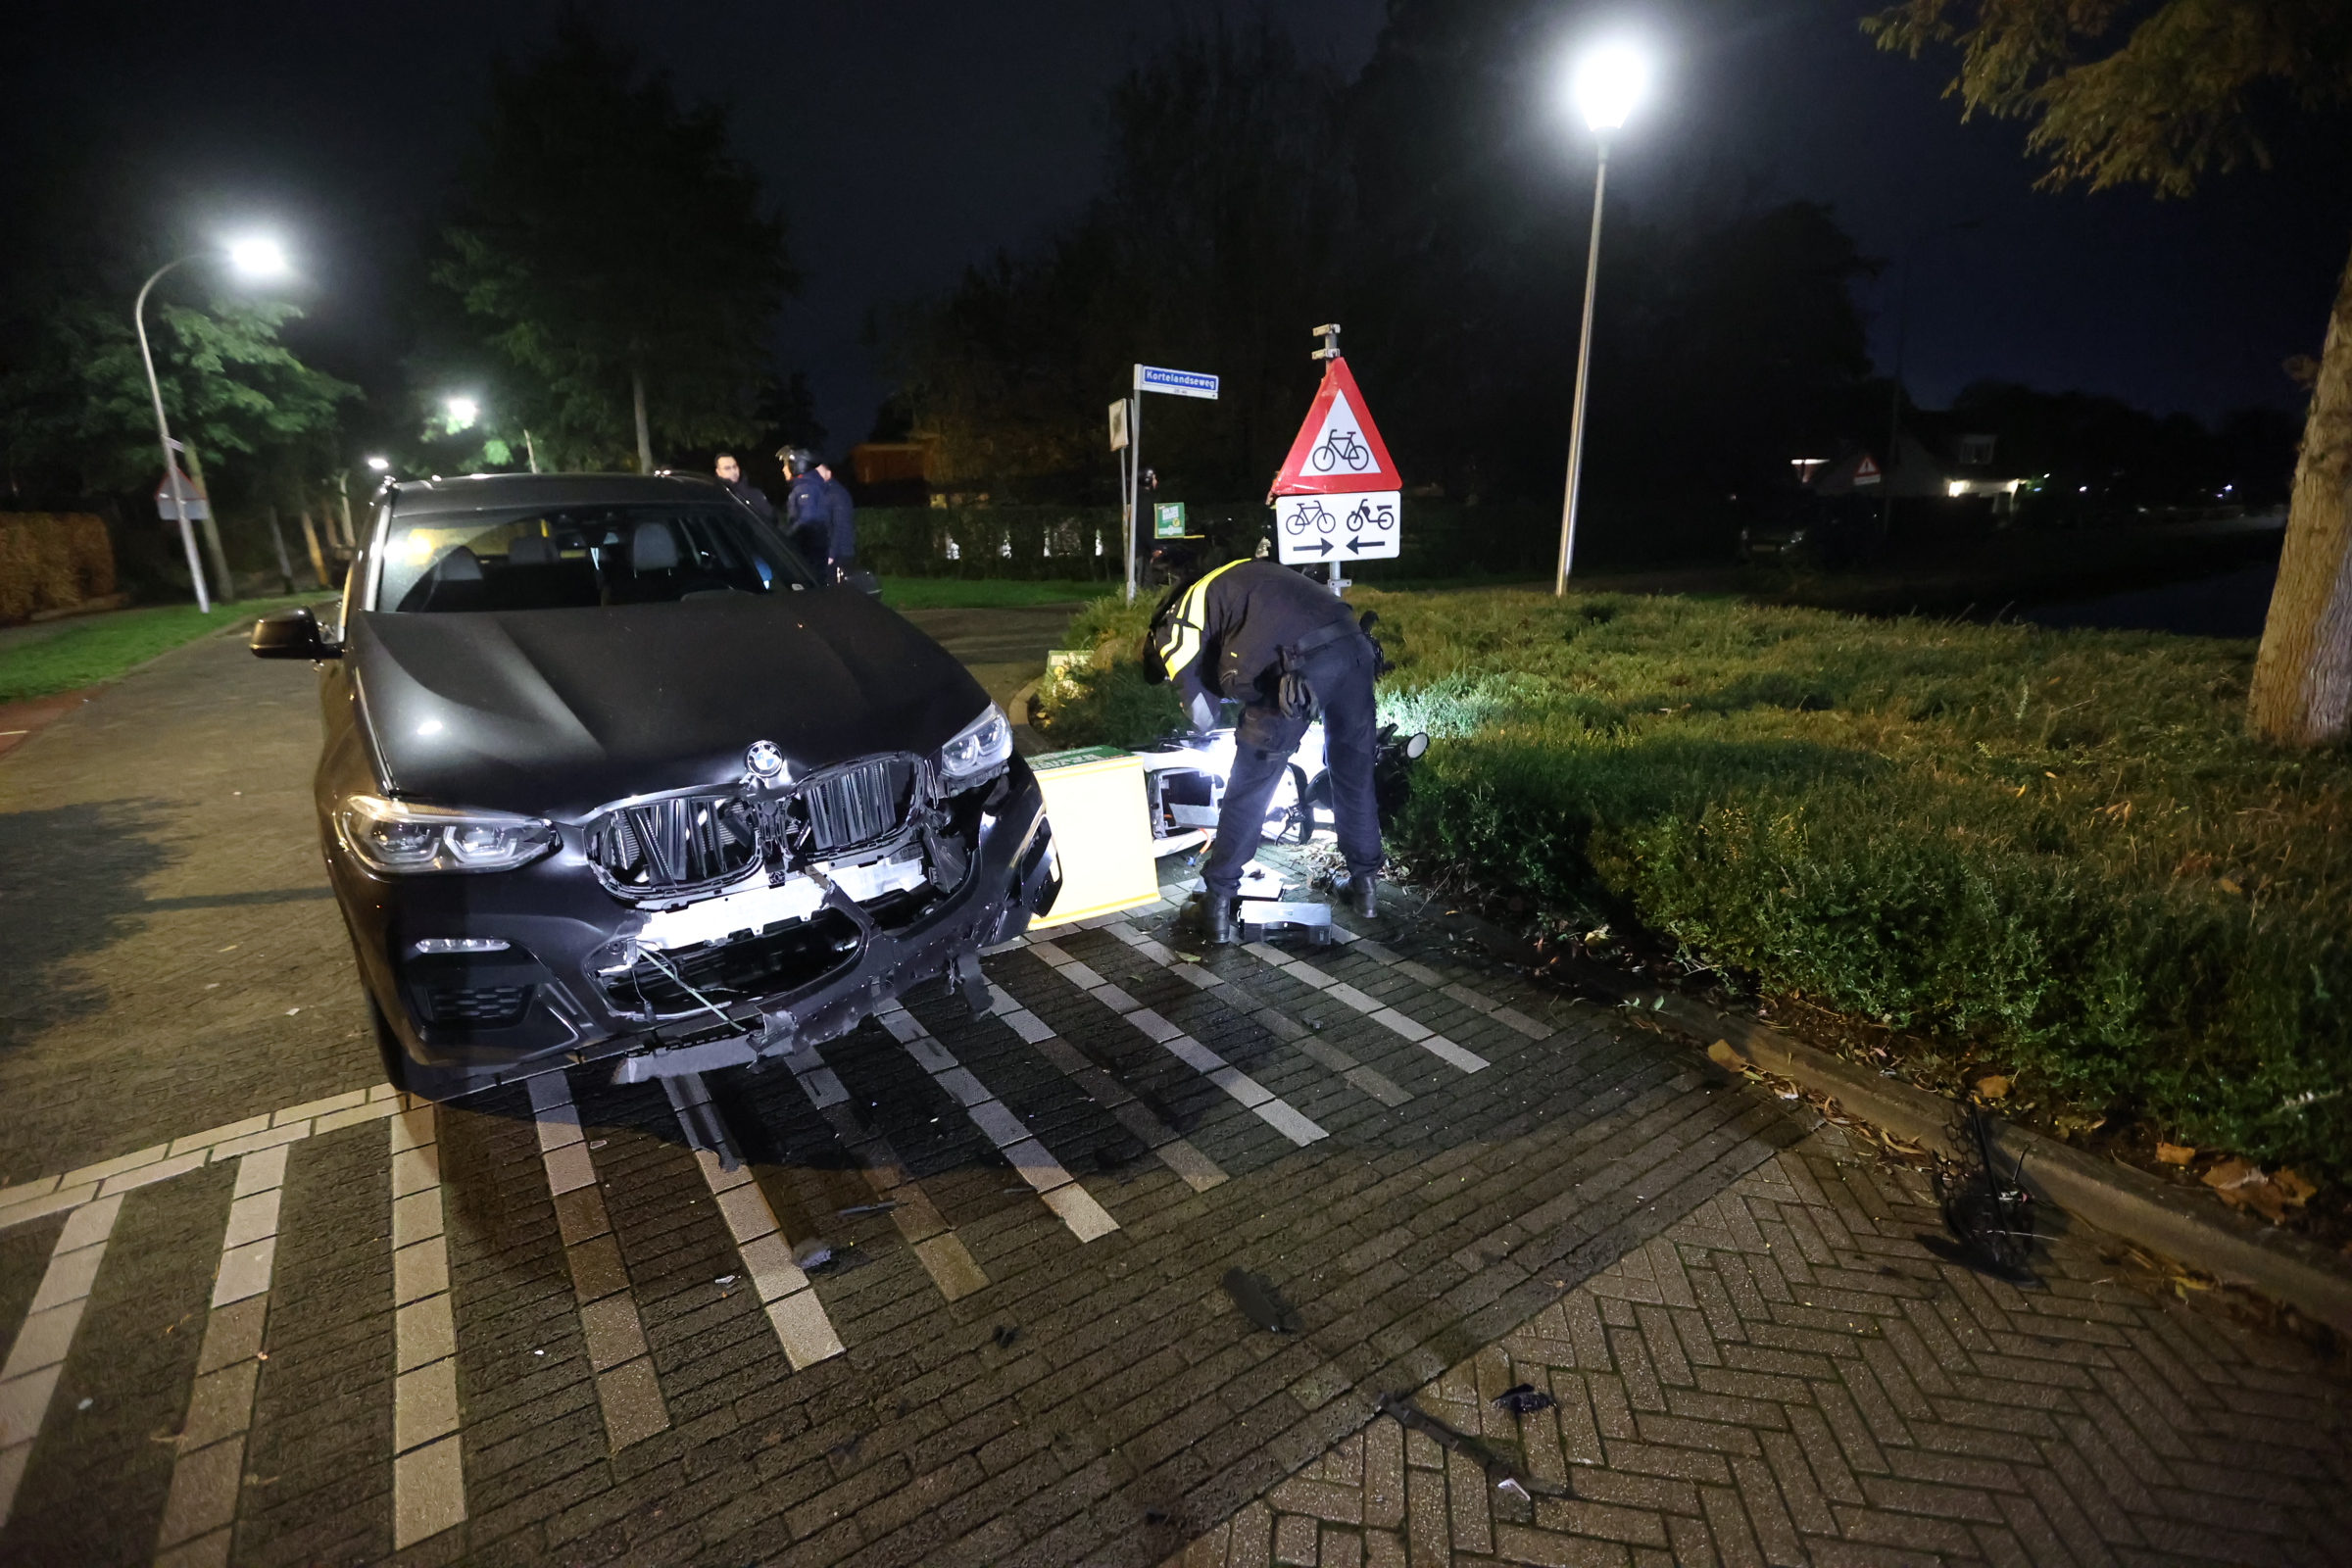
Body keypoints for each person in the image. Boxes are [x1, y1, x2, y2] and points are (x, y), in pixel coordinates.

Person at [1142, 555, 1385, 944]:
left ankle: (1217, 903)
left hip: (1296, 669)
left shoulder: (1177, 620)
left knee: (1250, 786)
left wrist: (1228, 715)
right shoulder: (1236, 577)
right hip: (1354, 648)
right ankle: (1365, 887)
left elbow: (1202, 715)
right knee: (1353, 773)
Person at [780, 448, 832, 571]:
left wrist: (786, 536)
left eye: (786, 466)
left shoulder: (805, 488)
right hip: (812, 548)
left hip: (809, 551)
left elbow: (807, 518)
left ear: (796, 467)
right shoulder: (806, 486)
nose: (783, 469)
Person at [817, 461, 858, 577]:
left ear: (828, 473)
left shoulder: (837, 494)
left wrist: (831, 555)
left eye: (820, 473)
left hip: (840, 553)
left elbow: (840, 526)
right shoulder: (823, 492)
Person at [713, 453, 777, 526]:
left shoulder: (754, 493)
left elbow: (772, 519)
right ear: (718, 472)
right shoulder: (716, 496)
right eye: (727, 468)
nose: (733, 472)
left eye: (735, 467)